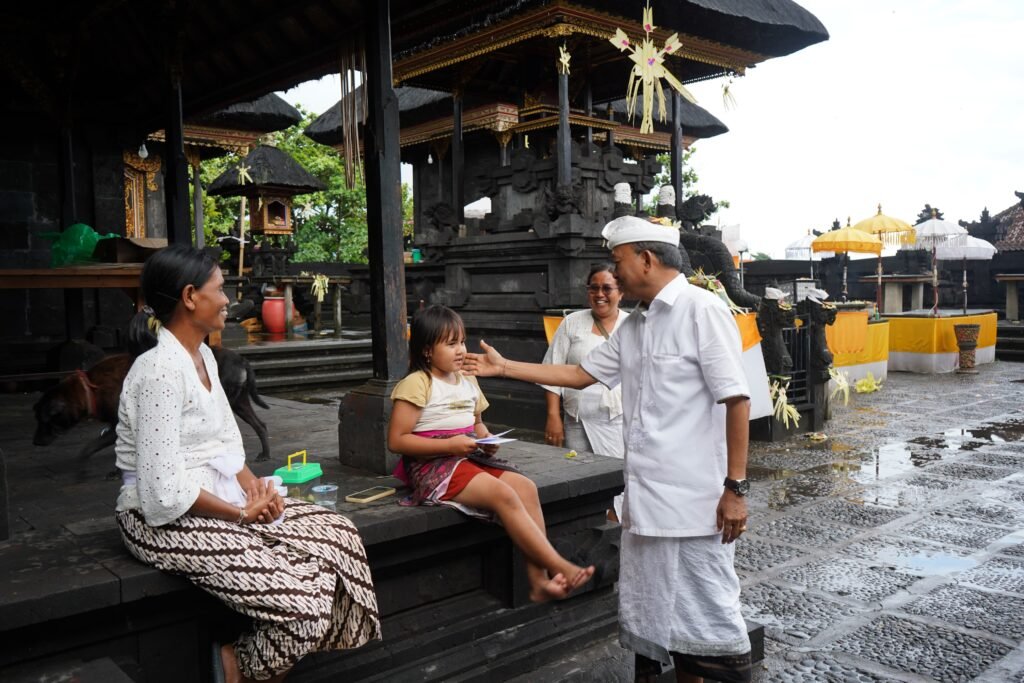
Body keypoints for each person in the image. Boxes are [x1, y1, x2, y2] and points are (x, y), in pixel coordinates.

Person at [464, 215, 753, 683]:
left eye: (618, 263)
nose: (613, 275)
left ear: (646, 258)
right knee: (660, 615)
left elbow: (736, 398)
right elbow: (581, 374)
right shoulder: (636, 325)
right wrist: (504, 369)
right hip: (646, 496)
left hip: (696, 499)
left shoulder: (701, 309)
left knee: (707, 613)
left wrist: (736, 487)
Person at [114, 244, 380, 683]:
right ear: (189, 297)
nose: (227, 300)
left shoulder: (202, 358)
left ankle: (253, 662)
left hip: (220, 498)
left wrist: (257, 491)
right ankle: (236, 666)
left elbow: (224, 442)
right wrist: (241, 513)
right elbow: (162, 492)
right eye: (219, 290)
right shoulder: (158, 371)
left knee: (338, 533)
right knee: (303, 607)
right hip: (159, 521)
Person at [387, 304, 595, 603]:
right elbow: (397, 440)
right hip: (435, 465)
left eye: (461, 341)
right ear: (427, 351)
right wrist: (450, 446)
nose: (460, 350)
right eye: (450, 344)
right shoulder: (418, 383)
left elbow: (478, 424)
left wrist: (486, 440)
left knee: (525, 487)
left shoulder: (468, 379)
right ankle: (557, 564)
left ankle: (537, 581)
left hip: (468, 456)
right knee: (504, 495)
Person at [542, 263, 628, 519]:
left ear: (620, 292)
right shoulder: (572, 323)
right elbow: (552, 370)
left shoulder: (633, 325)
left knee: (618, 484)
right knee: (579, 478)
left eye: (607, 288)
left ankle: (615, 534)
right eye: (593, 288)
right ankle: (586, 529)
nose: (599, 294)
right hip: (577, 420)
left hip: (618, 422)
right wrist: (553, 416)